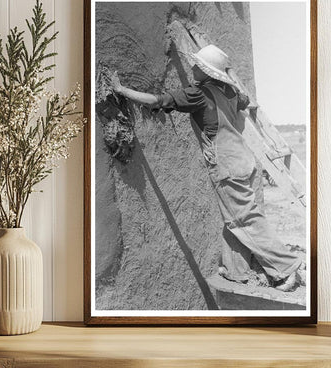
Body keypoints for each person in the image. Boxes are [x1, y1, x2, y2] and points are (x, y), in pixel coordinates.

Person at [110, 44, 305, 292]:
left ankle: (286, 268)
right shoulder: (231, 91)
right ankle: (236, 271)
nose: (192, 67)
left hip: (225, 165)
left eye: (198, 66)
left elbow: (157, 101)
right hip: (243, 160)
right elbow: (244, 100)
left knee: (242, 219)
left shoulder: (197, 94)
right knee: (233, 216)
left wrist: (121, 89)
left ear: (207, 71)